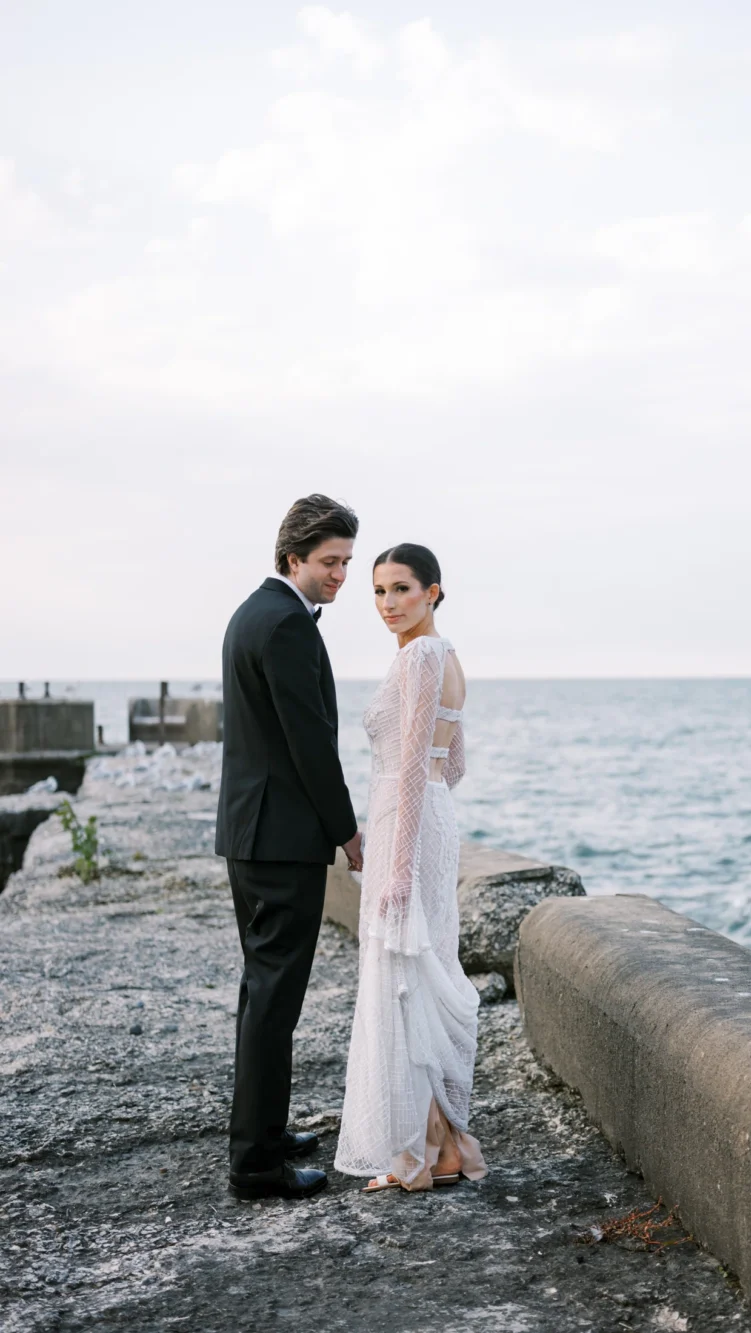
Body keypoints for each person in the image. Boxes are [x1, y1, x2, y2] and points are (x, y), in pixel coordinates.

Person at [216, 494, 364, 1200]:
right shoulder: (284, 626)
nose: (341, 575)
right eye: (330, 561)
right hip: (279, 842)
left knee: (262, 995)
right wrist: (346, 828)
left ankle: (265, 1134)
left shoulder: (255, 612)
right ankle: (256, 1165)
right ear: (293, 557)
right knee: (275, 1002)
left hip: (254, 834)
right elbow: (309, 743)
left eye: (346, 561)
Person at [335, 544, 488, 1192]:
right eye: (378, 591)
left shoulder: (420, 654)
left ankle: (422, 1150)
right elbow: (451, 766)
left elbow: (416, 760)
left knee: (404, 971)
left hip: (411, 824)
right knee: (419, 971)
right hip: (431, 817)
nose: (388, 603)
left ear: (433, 591)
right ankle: (443, 1142)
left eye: (401, 588)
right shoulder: (448, 655)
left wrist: (394, 862)